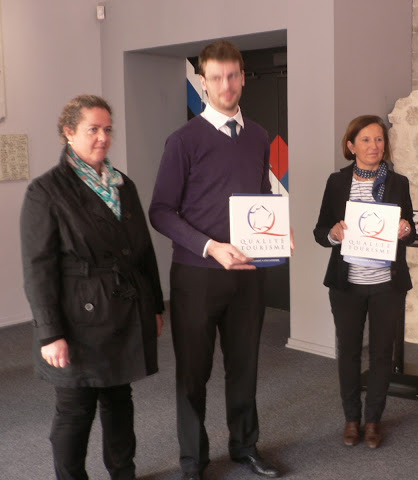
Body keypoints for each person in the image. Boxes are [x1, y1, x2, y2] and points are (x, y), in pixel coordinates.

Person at [149, 40, 282, 480]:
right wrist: (210, 246)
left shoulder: (260, 136)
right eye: (216, 78)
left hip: (248, 274)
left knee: (244, 367)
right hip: (197, 276)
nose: (226, 85)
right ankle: (193, 461)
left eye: (233, 76)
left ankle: (245, 447)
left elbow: (260, 198)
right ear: (203, 83)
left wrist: (278, 230)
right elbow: (161, 211)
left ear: (243, 77)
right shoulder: (183, 140)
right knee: (193, 374)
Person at [20, 94, 164, 480]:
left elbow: (143, 251)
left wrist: (154, 307)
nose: (102, 138)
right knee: (75, 410)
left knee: (120, 400)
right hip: (76, 319)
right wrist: (50, 334)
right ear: (69, 133)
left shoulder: (122, 184)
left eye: (107, 129)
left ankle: (123, 473)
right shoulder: (45, 191)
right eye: (93, 129)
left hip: (123, 309)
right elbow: (38, 269)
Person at [313, 115, 415, 449]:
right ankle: (352, 420)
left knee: (383, 354)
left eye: (379, 140)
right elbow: (320, 232)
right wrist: (333, 233)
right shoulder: (337, 182)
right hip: (347, 285)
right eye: (367, 140)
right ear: (351, 145)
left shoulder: (398, 183)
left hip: (387, 282)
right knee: (350, 353)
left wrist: (405, 231)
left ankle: (373, 420)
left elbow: (408, 228)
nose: (374, 146)